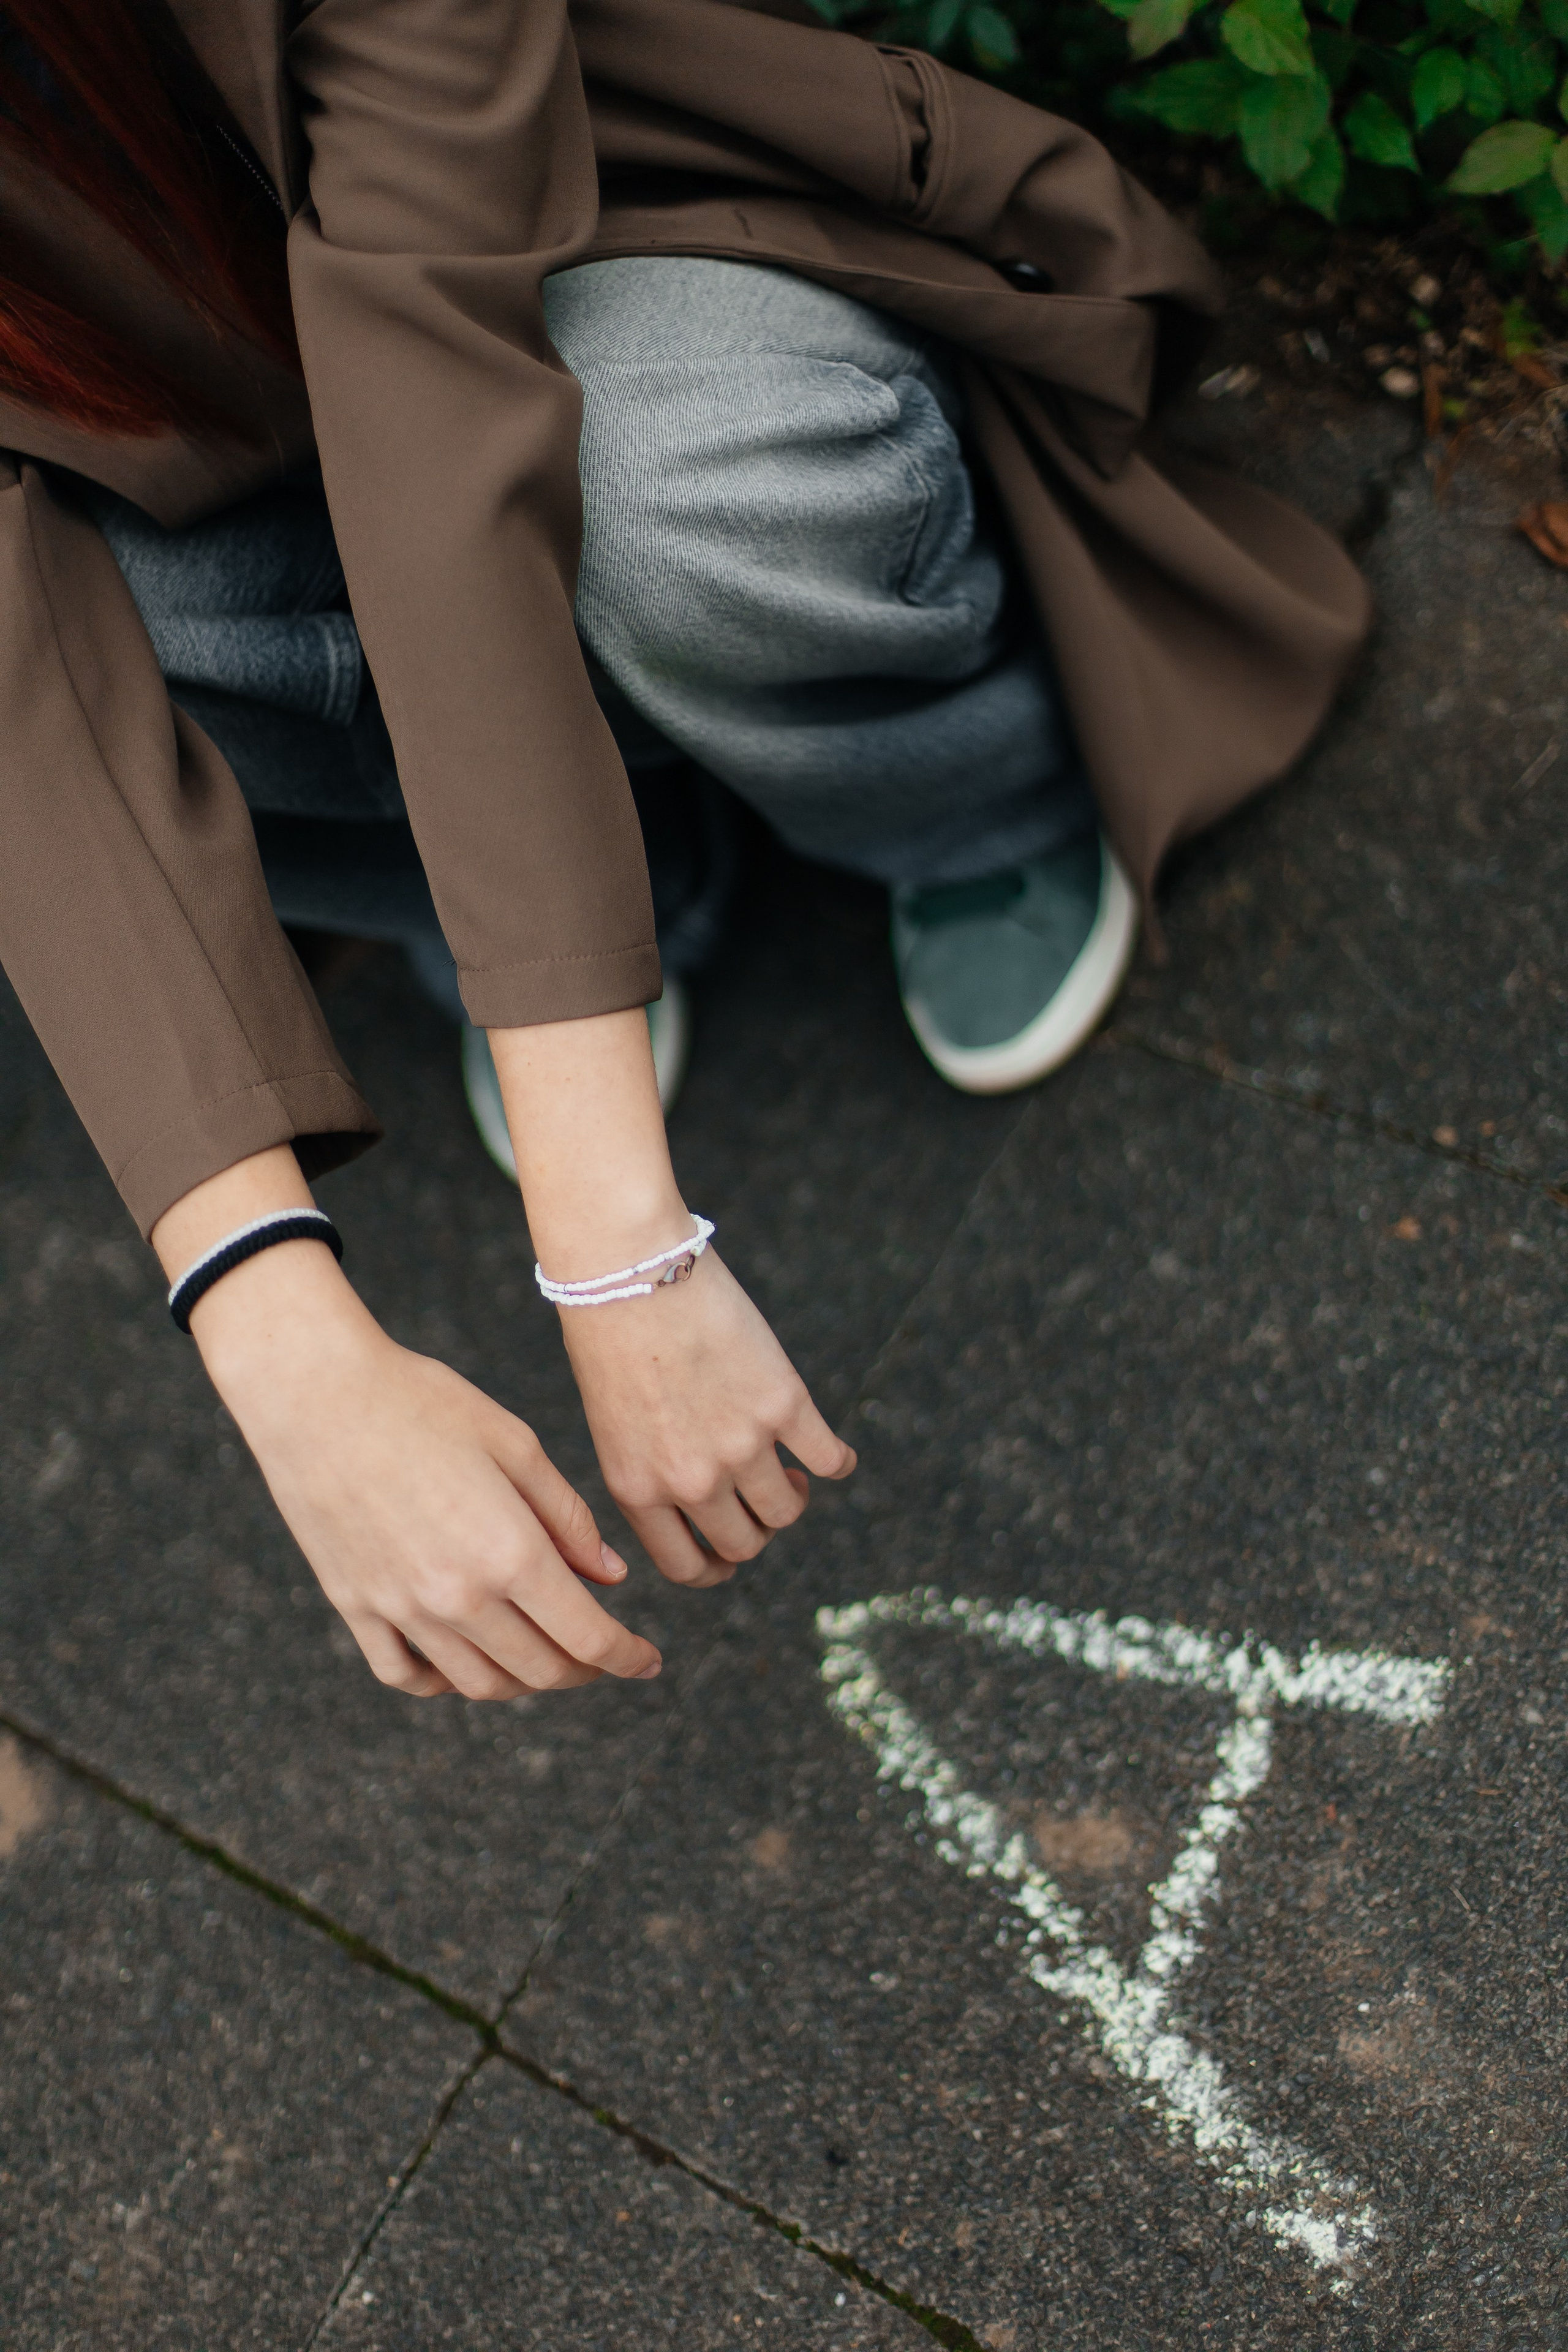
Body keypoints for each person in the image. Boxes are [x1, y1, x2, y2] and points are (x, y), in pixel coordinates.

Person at [0, 0, 1369, 1704]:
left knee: (688, 499)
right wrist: (279, 1341)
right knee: (117, 647)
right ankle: (569, 897)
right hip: (187, 464)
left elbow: (433, 411)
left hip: (578, 261)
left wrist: (615, 1239)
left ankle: (948, 803)